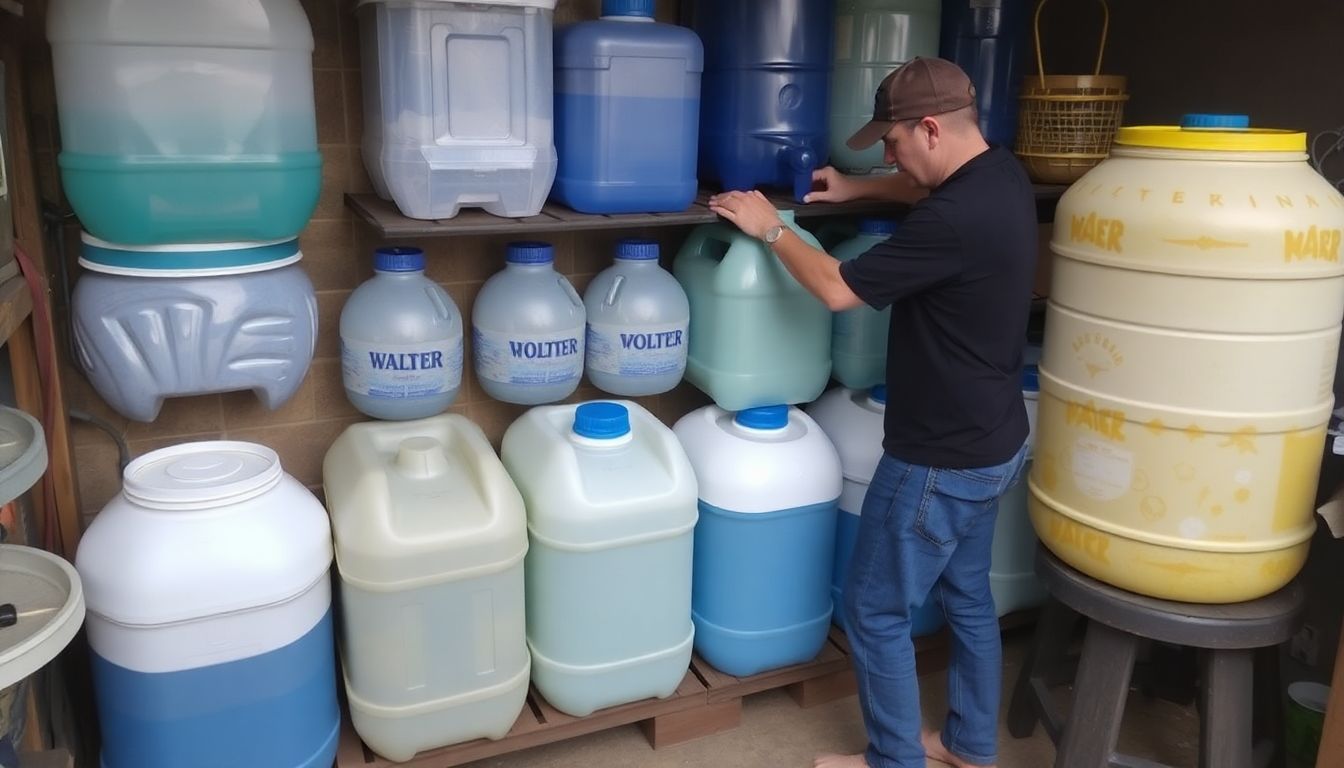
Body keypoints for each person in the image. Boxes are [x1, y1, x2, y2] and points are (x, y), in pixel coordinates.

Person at [707, 57, 1037, 768]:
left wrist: (772, 228)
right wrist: (858, 185)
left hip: (938, 458)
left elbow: (834, 288)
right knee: (968, 598)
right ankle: (968, 746)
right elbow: (927, 190)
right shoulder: (999, 175)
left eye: (891, 141)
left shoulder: (950, 221)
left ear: (928, 127)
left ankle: (894, 760)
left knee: (876, 610)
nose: (886, 153)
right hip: (996, 440)